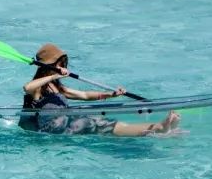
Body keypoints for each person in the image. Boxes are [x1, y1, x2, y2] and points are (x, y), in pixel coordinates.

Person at [20, 43, 179, 137]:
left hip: (66, 122)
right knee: (94, 123)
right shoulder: (38, 88)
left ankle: (156, 128)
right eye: (59, 64)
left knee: (99, 120)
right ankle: (158, 129)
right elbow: (27, 87)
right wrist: (53, 76)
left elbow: (83, 95)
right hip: (53, 128)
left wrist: (111, 95)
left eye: (64, 64)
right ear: (49, 65)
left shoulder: (58, 87)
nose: (63, 68)